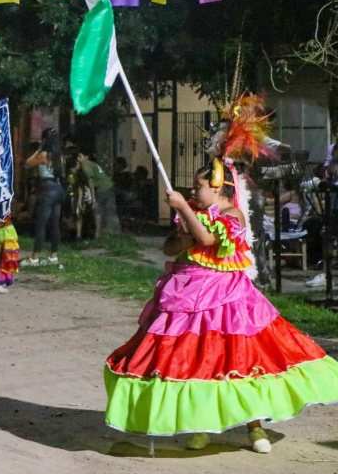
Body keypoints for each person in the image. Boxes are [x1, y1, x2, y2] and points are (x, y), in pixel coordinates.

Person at [104, 159, 338, 453]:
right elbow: (169, 246)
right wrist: (182, 235)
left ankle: (254, 427)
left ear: (217, 188)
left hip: (226, 299)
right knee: (199, 362)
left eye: (198, 185)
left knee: (240, 362)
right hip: (186, 293)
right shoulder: (195, 212)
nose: (192, 189)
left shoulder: (232, 214)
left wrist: (182, 208)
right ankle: (204, 427)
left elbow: (207, 238)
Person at [22, 128, 65, 266]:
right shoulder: (60, 156)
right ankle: (54, 255)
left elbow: (27, 164)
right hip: (58, 188)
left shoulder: (43, 154)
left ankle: (35, 257)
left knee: (41, 224)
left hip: (47, 189)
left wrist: (38, 149)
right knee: (54, 224)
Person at [77, 148, 120, 238]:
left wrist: (93, 198)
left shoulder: (86, 165)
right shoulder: (82, 167)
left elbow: (90, 183)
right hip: (106, 186)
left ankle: (97, 234)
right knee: (94, 209)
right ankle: (93, 231)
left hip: (102, 187)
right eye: (78, 156)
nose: (78, 158)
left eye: (80, 156)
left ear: (86, 157)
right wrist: (79, 200)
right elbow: (81, 184)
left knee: (97, 210)